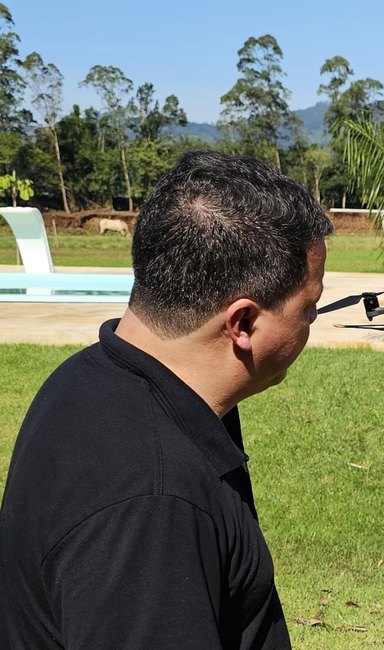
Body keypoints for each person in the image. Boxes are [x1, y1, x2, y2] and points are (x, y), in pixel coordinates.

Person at [0, 150, 333, 648]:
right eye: (309, 309)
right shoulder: (154, 503)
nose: (310, 324)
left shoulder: (89, 378)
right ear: (242, 324)